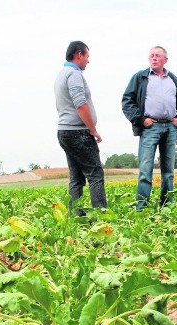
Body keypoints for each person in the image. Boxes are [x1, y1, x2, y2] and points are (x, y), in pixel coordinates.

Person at [122, 46, 177, 210]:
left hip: (170, 127)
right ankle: (142, 207)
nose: (154, 58)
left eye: (158, 56)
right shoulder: (140, 77)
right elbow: (127, 101)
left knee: (168, 170)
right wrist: (140, 120)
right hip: (150, 127)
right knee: (145, 169)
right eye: (151, 56)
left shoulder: (173, 79)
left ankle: (167, 204)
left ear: (165, 59)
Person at [55, 41, 107, 216]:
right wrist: (92, 129)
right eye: (87, 56)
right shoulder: (74, 74)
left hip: (65, 132)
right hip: (78, 132)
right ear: (79, 55)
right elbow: (80, 104)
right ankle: (101, 217)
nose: (88, 61)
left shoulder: (62, 74)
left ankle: (75, 216)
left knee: (76, 178)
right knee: (95, 175)